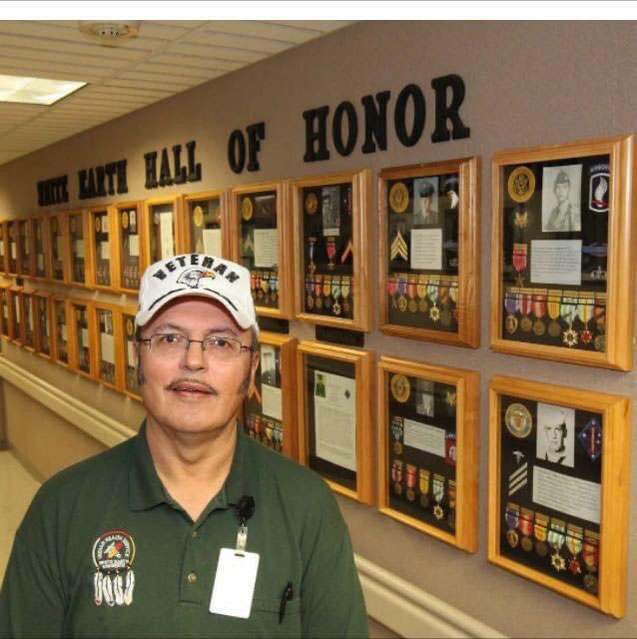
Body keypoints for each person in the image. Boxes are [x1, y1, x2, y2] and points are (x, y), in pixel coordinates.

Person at [0, 254, 368, 638]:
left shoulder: (306, 507)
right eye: (170, 338)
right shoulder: (62, 508)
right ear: (137, 355)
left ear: (252, 368)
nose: (194, 360)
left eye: (222, 342)